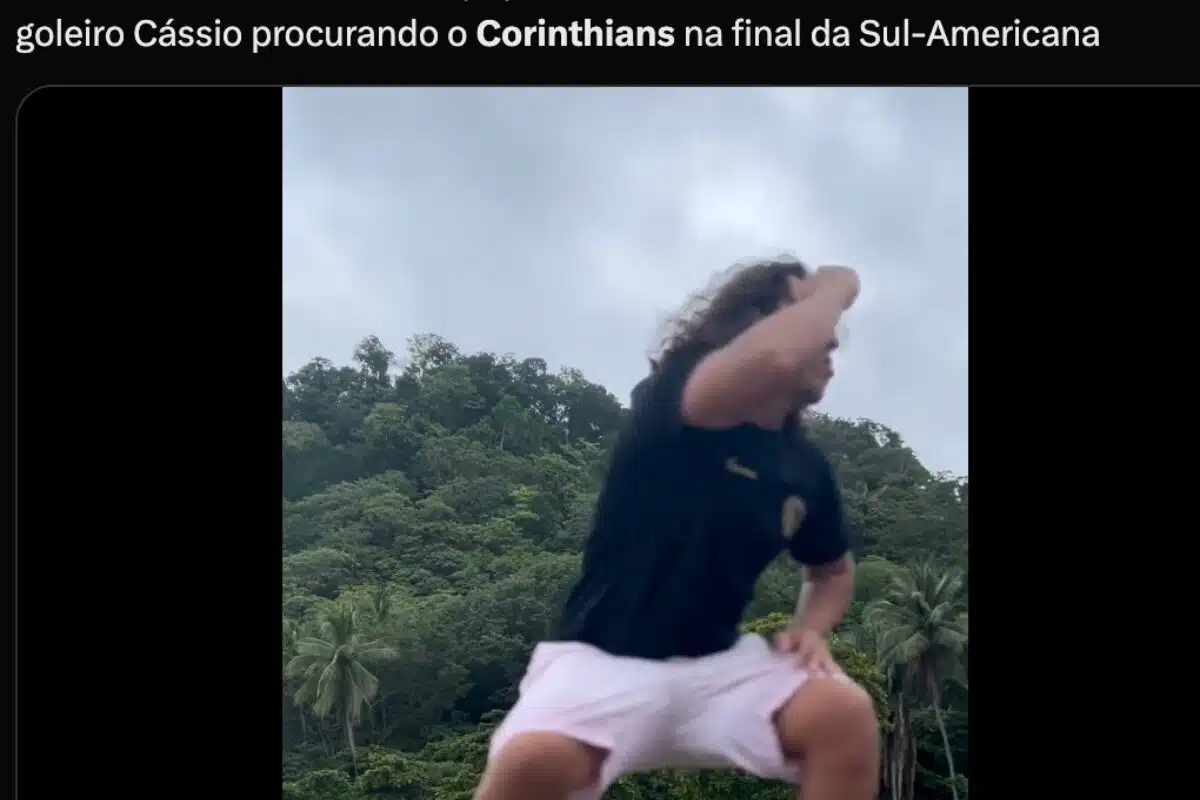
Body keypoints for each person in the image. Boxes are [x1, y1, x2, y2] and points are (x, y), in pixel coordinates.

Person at [475, 258, 878, 800]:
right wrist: (835, 288)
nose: (828, 341)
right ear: (750, 326)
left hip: (719, 666)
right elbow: (778, 357)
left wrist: (811, 629)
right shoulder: (678, 396)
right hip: (600, 661)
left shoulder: (803, 468)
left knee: (843, 716)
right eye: (804, 318)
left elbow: (831, 571)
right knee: (532, 763)